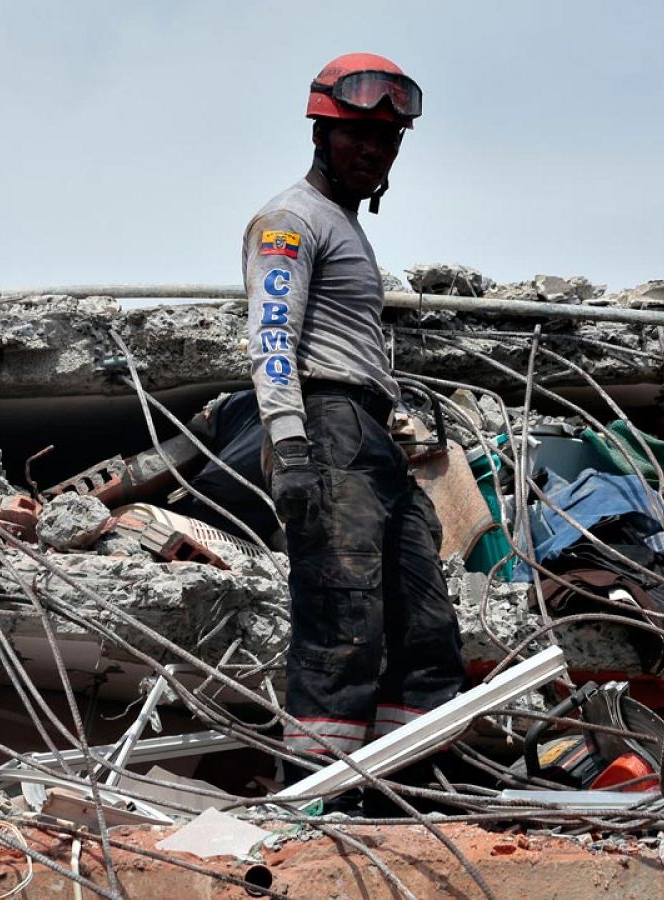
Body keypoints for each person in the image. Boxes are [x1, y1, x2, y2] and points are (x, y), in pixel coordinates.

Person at [241, 53, 464, 784]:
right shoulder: (289, 220)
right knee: (344, 620)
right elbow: (272, 339)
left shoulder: (346, 226)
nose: (374, 152)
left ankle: (411, 787)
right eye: (358, 137)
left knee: (424, 624)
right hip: (326, 425)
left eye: (388, 142)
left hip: (371, 434)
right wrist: (291, 448)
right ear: (321, 134)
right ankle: (316, 799)